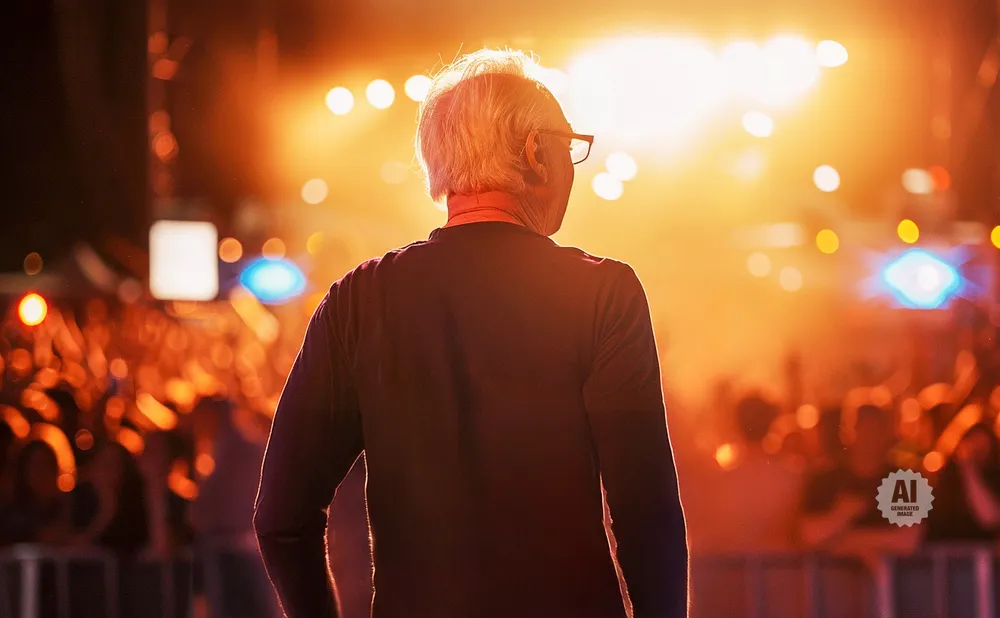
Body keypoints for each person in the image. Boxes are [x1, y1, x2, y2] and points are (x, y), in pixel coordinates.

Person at [255, 48, 688, 618]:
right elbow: (646, 512)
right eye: (569, 146)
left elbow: (281, 520)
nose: (572, 168)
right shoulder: (603, 294)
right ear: (535, 152)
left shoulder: (357, 302)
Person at [799, 404, 919, 557]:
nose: (869, 437)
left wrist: (842, 541)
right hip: (834, 573)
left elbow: (908, 541)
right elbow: (809, 537)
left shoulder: (904, 481)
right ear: (848, 433)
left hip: (889, 573)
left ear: (887, 434)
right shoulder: (824, 480)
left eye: (875, 430)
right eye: (862, 429)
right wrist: (842, 516)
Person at [926, 423, 1000, 542]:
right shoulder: (945, 479)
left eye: (982, 446)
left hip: (981, 550)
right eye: (973, 443)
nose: (975, 450)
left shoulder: (994, 478)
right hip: (942, 549)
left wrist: (969, 470)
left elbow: (990, 519)